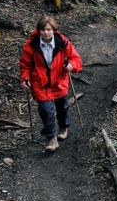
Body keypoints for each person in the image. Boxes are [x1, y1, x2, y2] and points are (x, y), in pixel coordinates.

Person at [19, 15, 83, 151]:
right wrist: (25, 78)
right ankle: (52, 138)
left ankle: (63, 127)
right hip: (40, 83)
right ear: (39, 30)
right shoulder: (32, 45)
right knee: (45, 110)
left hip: (59, 81)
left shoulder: (62, 42)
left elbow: (76, 59)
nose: (46, 32)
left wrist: (71, 65)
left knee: (62, 107)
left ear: (53, 30)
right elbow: (25, 65)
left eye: (48, 29)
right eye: (43, 29)